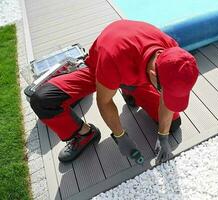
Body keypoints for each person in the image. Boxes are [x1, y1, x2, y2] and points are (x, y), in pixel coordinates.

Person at [29, 20, 199, 164]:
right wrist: (120, 136)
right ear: (154, 75)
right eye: (164, 91)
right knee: (42, 100)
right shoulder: (114, 59)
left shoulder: (173, 54)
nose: (166, 96)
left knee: (172, 126)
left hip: (135, 75)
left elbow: (167, 100)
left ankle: (130, 91)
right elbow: (104, 101)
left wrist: (163, 136)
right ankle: (85, 134)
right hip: (102, 68)